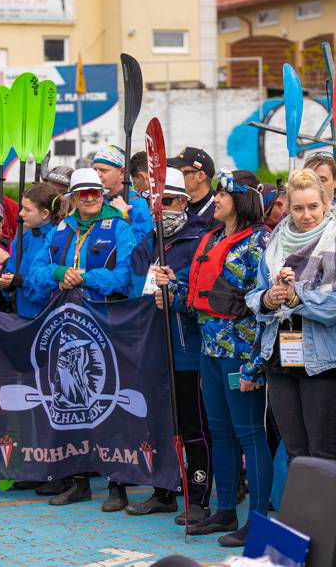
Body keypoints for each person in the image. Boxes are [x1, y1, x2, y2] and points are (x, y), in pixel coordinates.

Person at [157, 169, 271, 547]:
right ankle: (225, 511)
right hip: (209, 349)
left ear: (240, 200)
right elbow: (195, 296)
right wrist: (170, 288)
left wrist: (257, 361)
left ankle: (258, 520)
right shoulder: (210, 238)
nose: (215, 199)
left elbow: (262, 302)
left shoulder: (258, 242)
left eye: (222, 194)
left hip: (241, 352)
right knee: (219, 433)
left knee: (250, 434)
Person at [26, 168, 136, 509]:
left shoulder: (120, 227)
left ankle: (118, 485)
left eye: (95, 192)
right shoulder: (60, 229)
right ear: (72, 196)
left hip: (106, 324)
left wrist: (84, 277)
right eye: (83, 193)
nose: (90, 198)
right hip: (65, 325)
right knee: (70, 400)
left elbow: (125, 277)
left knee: (109, 401)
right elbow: (35, 273)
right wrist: (60, 273)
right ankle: (78, 482)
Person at [248, 169, 336, 463]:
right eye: (298, 208)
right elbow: (254, 295)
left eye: (313, 206)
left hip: (325, 361)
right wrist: (269, 298)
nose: (306, 214)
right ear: (288, 207)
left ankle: (325, 512)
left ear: (326, 203)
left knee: (322, 454)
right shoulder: (275, 241)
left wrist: (298, 298)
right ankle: (303, 511)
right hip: (280, 356)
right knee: (295, 453)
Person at [127, 167, 212, 524]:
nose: (160, 209)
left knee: (193, 426)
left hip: (186, 348)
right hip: (153, 347)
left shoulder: (202, 239)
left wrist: (176, 290)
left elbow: (203, 296)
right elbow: (134, 284)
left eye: (168, 202)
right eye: (155, 202)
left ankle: (198, 497)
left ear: (183, 201)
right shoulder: (149, 241)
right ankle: (164, 491)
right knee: (158, 424)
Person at [0, 184, 61, 319]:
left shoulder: (58, 239)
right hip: (21, 313)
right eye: (22, 207)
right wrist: (6, 282)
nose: (21, 213)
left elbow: (50, 287)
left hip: (46, 316)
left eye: (27, 209)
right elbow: (12, 270)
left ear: (44, 214)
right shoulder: (23, 237)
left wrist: (21, 281)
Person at [92, 144, 153, 244]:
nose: (97, 174)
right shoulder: (92, 201)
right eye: (95, 170)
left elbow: (145, 248)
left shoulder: (137, 203)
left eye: (103, 170)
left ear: (122, 172)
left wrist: (125, 217)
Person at [168, 147, 217, 227]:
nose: (176, 177)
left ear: (200, 176)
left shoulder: (219, 211)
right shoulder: (176, 203)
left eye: (180, 172)